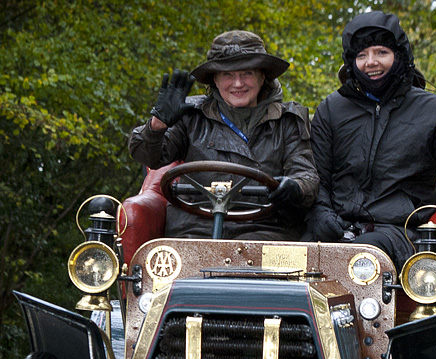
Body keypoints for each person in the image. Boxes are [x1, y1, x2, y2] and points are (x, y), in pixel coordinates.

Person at [304, 11, 436, 265]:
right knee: (287, 256)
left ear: (399, 56)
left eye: (381, 52)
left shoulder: (434, 111)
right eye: (361, 55)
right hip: (336, 226)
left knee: (361, 255)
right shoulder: (331, 109)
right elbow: (317, 176)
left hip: (401, 233)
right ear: (351, 62)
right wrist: (321, 214)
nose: (370, 62)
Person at [128, 30, 318, 240]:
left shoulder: (288, 120)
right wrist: (158, 123)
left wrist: (295, 187)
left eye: (247, 73)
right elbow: (148, 157)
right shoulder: (190, 115)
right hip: (194, 229)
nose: (238, 84)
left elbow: (306, 177)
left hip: (265, 230)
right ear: (215, 80)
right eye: (227, 74)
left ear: (262, 76)